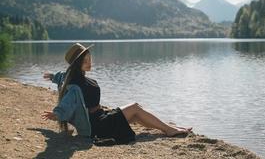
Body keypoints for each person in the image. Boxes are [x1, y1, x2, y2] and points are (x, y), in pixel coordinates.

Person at [42, 43, 192, 144]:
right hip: (96, 126)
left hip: (101, 117)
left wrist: (53, 77)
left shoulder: (72, 77)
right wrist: (58, 113)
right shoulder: (75, 84)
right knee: (135, 107)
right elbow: (67, 103)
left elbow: (62, 77)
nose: (89, 62)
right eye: (84, 61)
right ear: (77, 64)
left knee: (134, 114)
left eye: (89, 58)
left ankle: (167, 128)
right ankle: (170, 130)